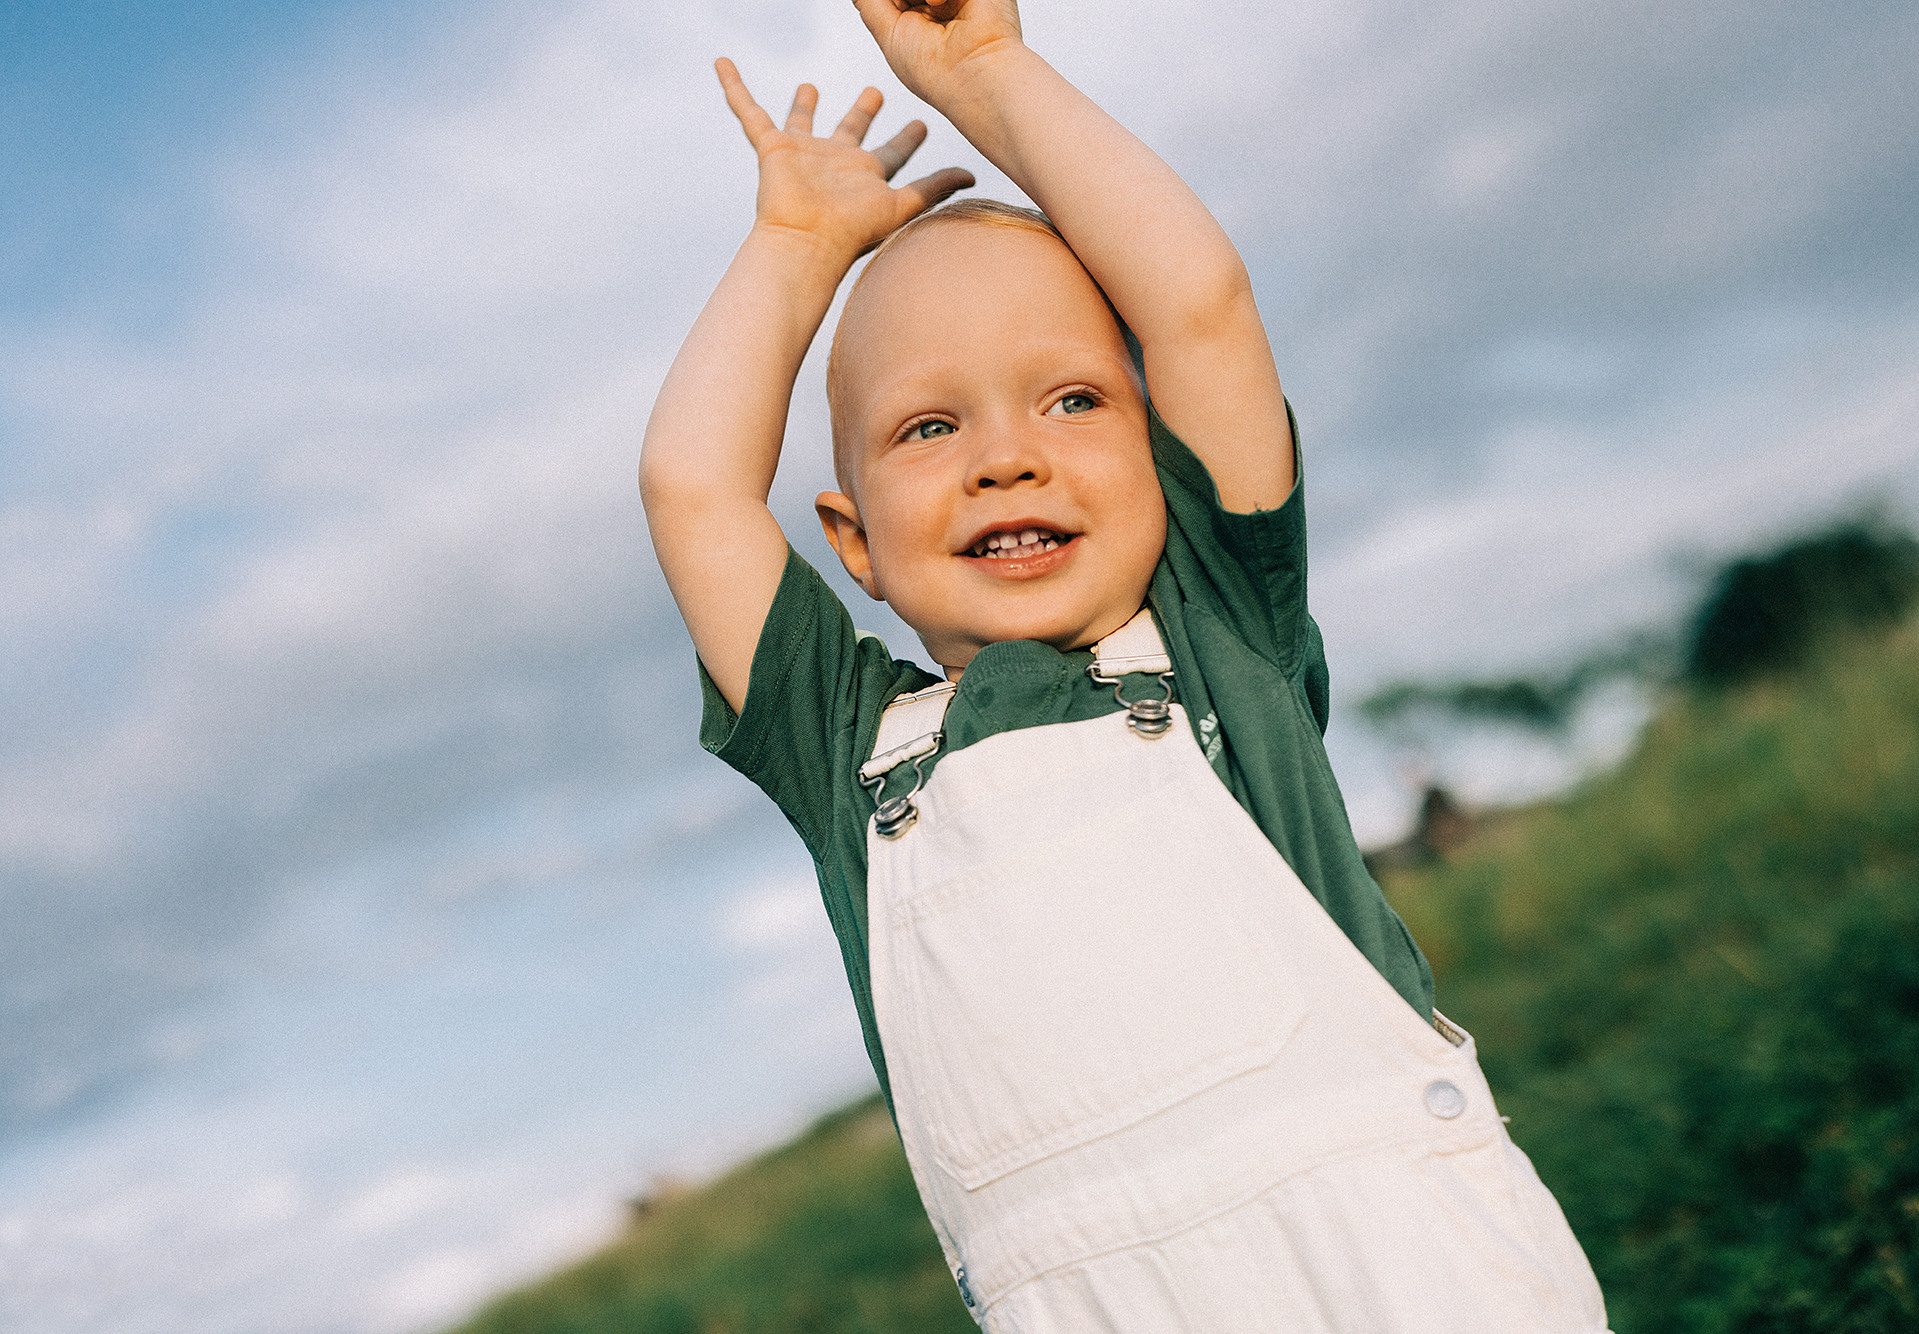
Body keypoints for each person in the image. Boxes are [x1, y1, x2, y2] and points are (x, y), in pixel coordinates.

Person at [639, 2, 1611, 1329]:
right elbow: (694, 488)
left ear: (1165, 463)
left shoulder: (1221, 626)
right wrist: (794, 253)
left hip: (1396, 1255)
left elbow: (1198, 304)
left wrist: (989, 74)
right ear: (853, 540)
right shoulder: (845, 749)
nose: (1006, 454)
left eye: (1074, 398)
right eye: (929, 424)